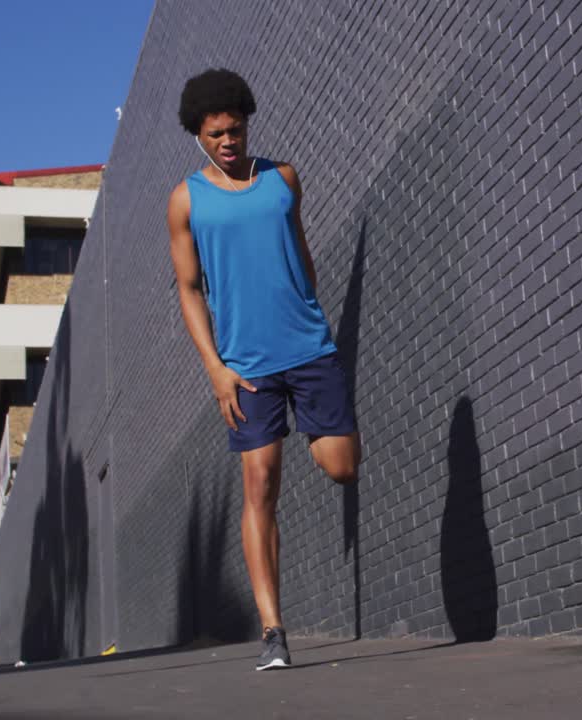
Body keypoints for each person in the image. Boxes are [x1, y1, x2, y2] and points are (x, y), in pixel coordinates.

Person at [167, 68, 361, 671]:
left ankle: (313, 432)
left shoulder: (282, 179)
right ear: (198, 134)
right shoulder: (185, 201)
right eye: (216, 133)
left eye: (236, 129)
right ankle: (274, 629)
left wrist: (308, 306)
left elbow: (298, 247)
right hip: (245, 369)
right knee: (259, 484)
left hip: (307, 348)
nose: (228, 140)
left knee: (341, 467)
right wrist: (215, 370)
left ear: (247, 122)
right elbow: (189, 289)